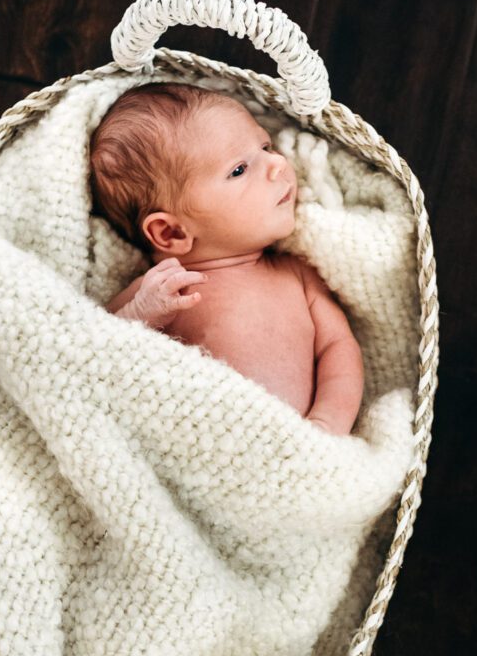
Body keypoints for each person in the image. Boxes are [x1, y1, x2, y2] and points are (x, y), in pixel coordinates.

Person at [90, 83, 364, 435]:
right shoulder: (162, 288)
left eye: (265, 147)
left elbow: (339, 348)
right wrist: (140, 314)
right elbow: (96, 353)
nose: (278, 163)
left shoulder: (297, 275)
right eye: (239, 170)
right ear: (171, 233)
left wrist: (327, 423)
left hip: (297, 447)